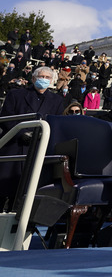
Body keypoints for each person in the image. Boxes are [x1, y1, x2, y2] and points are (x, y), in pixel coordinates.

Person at [0, 66, 63, 211]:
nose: (44, 80)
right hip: (13, 149)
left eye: (48, 78)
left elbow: (56, 123)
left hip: (37, 150)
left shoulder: (56, 100)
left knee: (23, 196)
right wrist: (21, 133)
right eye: (41, 77)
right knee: (3, 190)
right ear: (33, 78)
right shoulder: (15, 94)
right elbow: (6, 118)